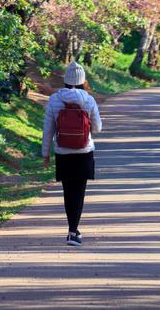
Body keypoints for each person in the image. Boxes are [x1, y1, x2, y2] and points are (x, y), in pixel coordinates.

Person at [42, 60, 102, 247]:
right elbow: (98, 128)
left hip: (63, 151)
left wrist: (45, 153)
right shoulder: (89, 100)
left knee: (68, 192)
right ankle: (74, 231)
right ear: (83, 80)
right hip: (84, 151)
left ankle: (72, 230)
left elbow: (48, 129)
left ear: (65, 80)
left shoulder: (54, 99)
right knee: (79, 192)